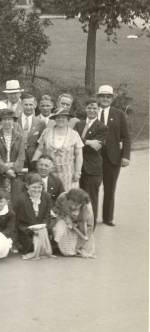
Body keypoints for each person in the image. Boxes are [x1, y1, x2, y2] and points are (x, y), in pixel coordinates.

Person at [96, 84, 131, 227]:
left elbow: (126, 137)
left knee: (110, 188)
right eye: (102, 96)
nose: (105, 99)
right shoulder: (92, 111)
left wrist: (125, 156)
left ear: (112, 99)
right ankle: (90, 217)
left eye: (108, 97)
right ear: (98, 98)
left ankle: (107, 218)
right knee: (92, 188)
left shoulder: (119, 114)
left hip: (113, 157)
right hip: (93, 157)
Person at [32, 108, 83, 190]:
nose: (60, 119)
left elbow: (78, 155)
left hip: (68, 173)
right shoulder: (46, 132)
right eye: (58, 117)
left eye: (63, 117)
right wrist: (33, 164)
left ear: (68, 119)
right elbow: (40, 149)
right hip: (48, 171)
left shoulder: (74, 134)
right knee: (49, 194)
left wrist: (78, 172)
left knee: (67, 197)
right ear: (54, 119)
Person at [73, 98, 107, 219]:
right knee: (78, 198)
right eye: (89, 108)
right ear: (85, 109)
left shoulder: (102, 127)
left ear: (98, 110)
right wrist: (88, 141)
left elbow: (95, 147)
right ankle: (80, 223)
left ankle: (90, 226)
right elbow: (73, 141)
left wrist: (81, 142)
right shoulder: (79, 124)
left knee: (91, 198)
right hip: (77, 167)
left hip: (92, 169)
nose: (92, 110)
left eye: (94, 108)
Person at [13, 173, 53, 259]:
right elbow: (17, 221)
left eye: (39, 187)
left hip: (42, 230)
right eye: (34, 187)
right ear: (27, 186)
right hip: (26, 230)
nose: (37, 190)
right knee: (32, 246)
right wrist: (30, 230)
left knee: (52, 243)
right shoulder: (20, 199)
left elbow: (47, 215)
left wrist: (43, 227)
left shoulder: (46, 196)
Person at [0, 108, 27, 195]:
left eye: (9, 119)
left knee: (16, 197)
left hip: (16, 173)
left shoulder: (19, 137)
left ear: (13, 121)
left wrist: (13, 168)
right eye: (5, 119)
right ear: (1, 121)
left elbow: (21, 156)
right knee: (0, 196)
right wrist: (6, 169)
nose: (7, 122)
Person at [52, 189, 95, 258]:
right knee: (58, 228)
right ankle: (56, 245)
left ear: (82, 204)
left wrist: (80, 246)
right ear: (67, 199)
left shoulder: (87, 208)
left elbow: (89, 228)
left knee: (79, 249)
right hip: (65, 222)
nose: (73, 207)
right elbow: (56, 211)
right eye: (71, 204)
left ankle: (77, 248)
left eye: (77, 205)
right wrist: (64, 218)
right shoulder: (62, 197)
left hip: (79, 229)